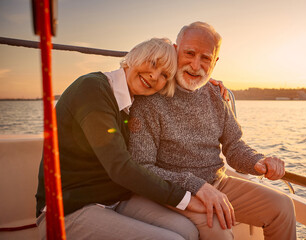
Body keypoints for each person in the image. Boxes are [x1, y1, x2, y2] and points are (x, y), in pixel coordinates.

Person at [35, 37, 229, 240]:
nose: (154, 75)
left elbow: (185, 75)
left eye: (164, 75)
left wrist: (207, 84)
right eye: (152, 62)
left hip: (114, 198)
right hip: (67, 208)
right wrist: (185, 199)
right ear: (134, 55)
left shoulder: (134, 102)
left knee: (188, 231)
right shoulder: (92, 89)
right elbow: (120, 167)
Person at [129, 22, 297, 239]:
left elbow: (234, 145)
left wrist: (258, 162)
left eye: (205, 58)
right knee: (219, 230)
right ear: (175, 49)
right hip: (173, 191)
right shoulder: (151, 97)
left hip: (218, 183)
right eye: (189, 53)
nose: (195, 65)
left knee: (282, 206)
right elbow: (142, 167)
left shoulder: (216, 96)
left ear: (215, 62)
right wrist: (195, 185)